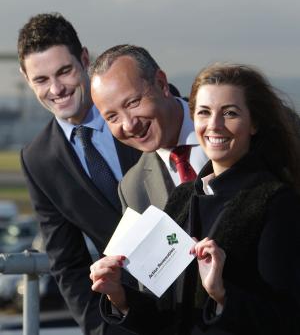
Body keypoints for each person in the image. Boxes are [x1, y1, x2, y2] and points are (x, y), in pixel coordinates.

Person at [90, 62, 300, 335]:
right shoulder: (183, 197)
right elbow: (166, 315)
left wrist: (222, 294)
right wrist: (119, 296)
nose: (214, 125)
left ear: (254, 123)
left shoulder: (276, 203)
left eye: (230, 113)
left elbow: (287, 320)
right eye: (204, 113)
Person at [17, 13, 141, 335]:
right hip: (131, 313)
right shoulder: (37, 160)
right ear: (26, 78)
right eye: (41, 80)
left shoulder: (142, 104)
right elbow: (66, 263)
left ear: (84, 59)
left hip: (203, 293)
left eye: (64, 71)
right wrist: (102, 329)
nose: (56, 89)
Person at [89, 44, 207, 216]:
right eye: (112, 117)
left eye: (132, 103)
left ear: (161, 84)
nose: (129, 125)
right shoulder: (132, 191)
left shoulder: (230, 128)